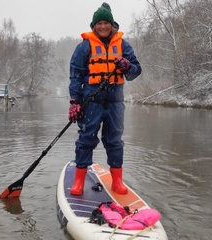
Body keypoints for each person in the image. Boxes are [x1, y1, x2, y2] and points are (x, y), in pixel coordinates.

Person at [68, 2, 141, 195]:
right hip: (91, 100)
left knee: (114, 141)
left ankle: (117, 182)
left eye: (106, 23)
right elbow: (75, 75)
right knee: (85, 140)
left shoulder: (124, 45)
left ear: (112, 25)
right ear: (94, 26)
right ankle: (78, 183)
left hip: (115, 102)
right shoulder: (84, 47)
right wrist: (75, 102)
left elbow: (136, 71)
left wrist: (128, 66)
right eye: (99, 23)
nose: (102, 27)